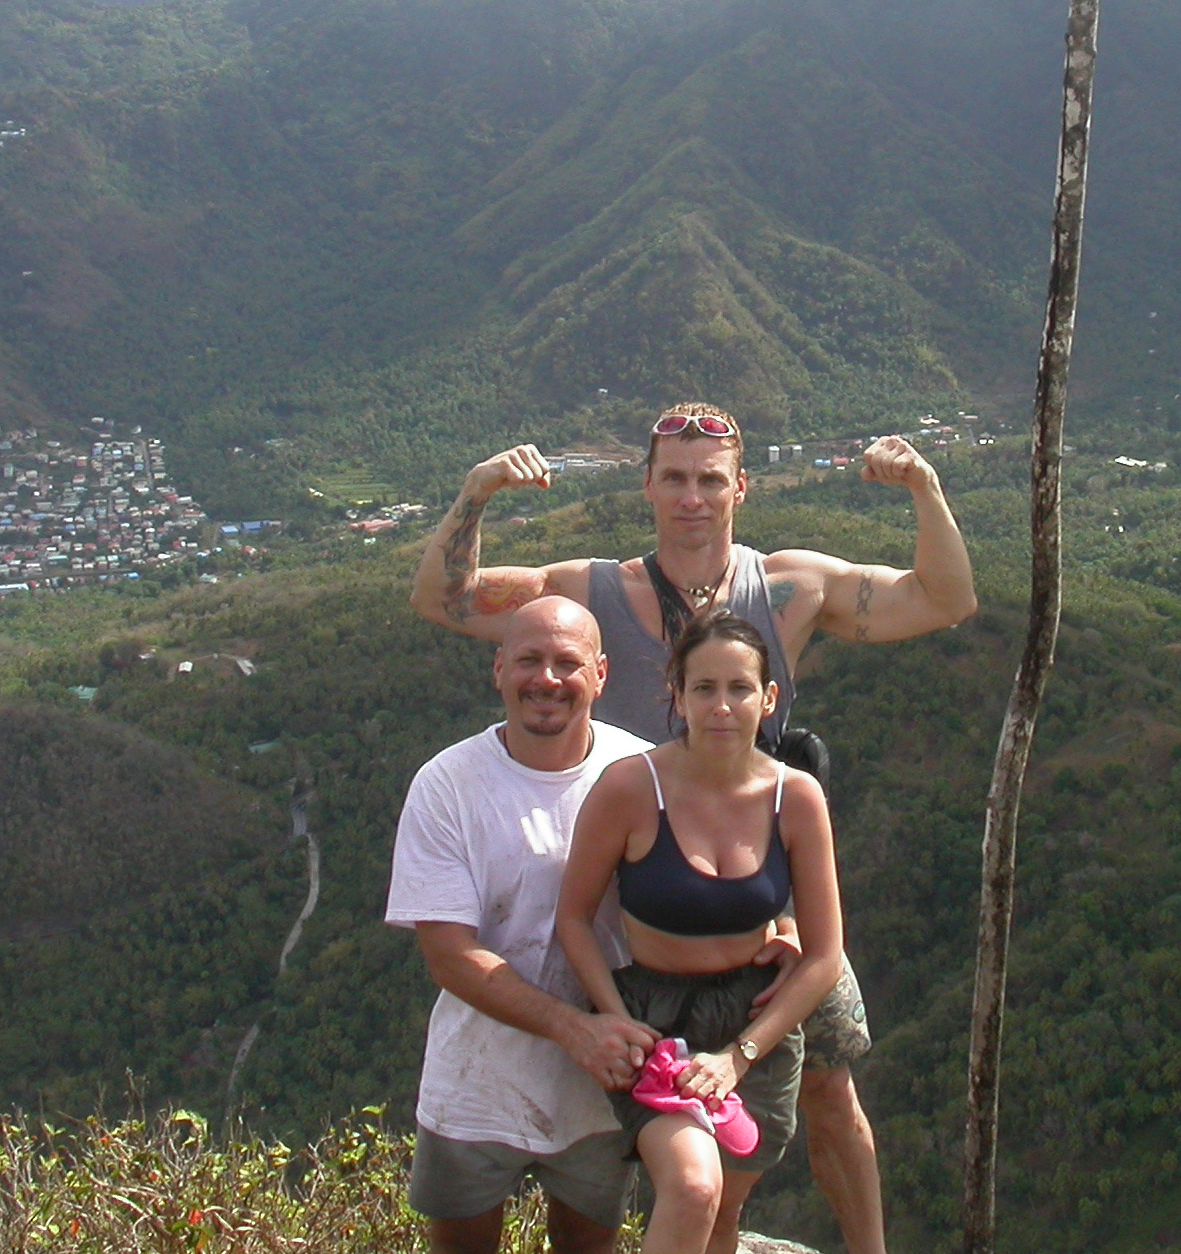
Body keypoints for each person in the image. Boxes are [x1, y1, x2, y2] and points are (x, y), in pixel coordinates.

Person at [412, 402, 977, 1254]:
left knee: (829, 1086)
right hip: (637, 899)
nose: (692, 497)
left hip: (761, 890)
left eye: (710, 479)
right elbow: (442, 598)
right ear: (647, 485)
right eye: (674, 477)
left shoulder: (788, 588)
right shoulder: (588, 591)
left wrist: (924, 489)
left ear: (740, 488)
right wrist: (477, 495)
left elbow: (944, 598)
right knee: (660, 1126)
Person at [557, 611, 844, 1254]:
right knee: (693, 1185)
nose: (721, 707)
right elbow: (572, 918)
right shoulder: (631, 788)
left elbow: (824, 955)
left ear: (768, 699)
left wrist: (742, 1054)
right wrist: (613, 1016)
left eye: (739, 688)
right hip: (655, 1027)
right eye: (704, 688)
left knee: (722, 1216)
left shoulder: (794, 798)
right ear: (677, 695)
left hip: (755, 1025)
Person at [385, 596, 661, 1254]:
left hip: (603, 1087)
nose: (547, 679)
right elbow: (450, 957)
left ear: (600, 674)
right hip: (476, 1082)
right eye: (529, 660)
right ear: (499, 669)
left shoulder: (646, 775)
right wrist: (575, 1030)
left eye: (567, 663)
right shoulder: (447, 784)